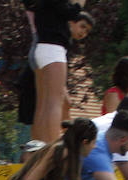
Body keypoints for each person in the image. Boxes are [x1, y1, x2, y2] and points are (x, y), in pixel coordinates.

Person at [23, 1, 92, 144]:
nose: (83, 33)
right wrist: (79, 3)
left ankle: (40, 146)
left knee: (42, 104)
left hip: (42, 48)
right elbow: (71, 13)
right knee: (55, 102)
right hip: (53, 48)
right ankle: (53, 147)